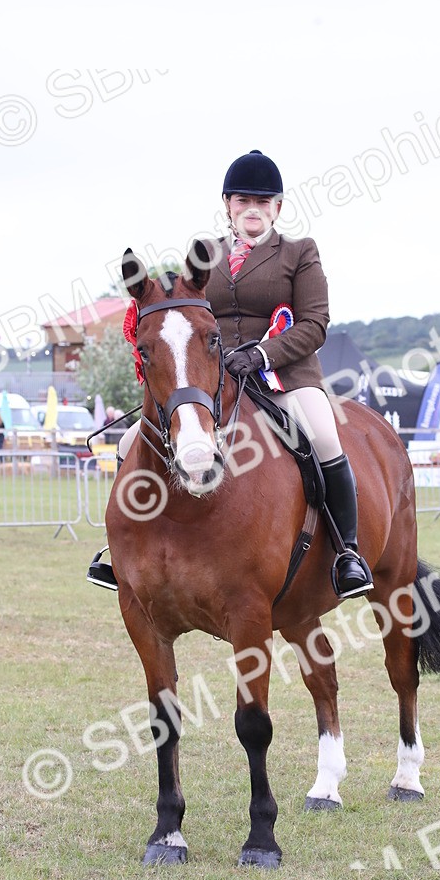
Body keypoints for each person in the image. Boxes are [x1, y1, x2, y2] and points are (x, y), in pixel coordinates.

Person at [88, 150, 373, 599]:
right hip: (216, 382)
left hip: (285, 379)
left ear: (278, 207)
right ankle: (121, 548)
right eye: (243, 199)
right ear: (228, 204)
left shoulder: (299, 253)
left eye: (265, 200)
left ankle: (347, 553)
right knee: (130, 443)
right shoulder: (205, 258)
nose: (253, 207)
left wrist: (261, 355)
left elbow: (314, 323)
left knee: (323, 436)